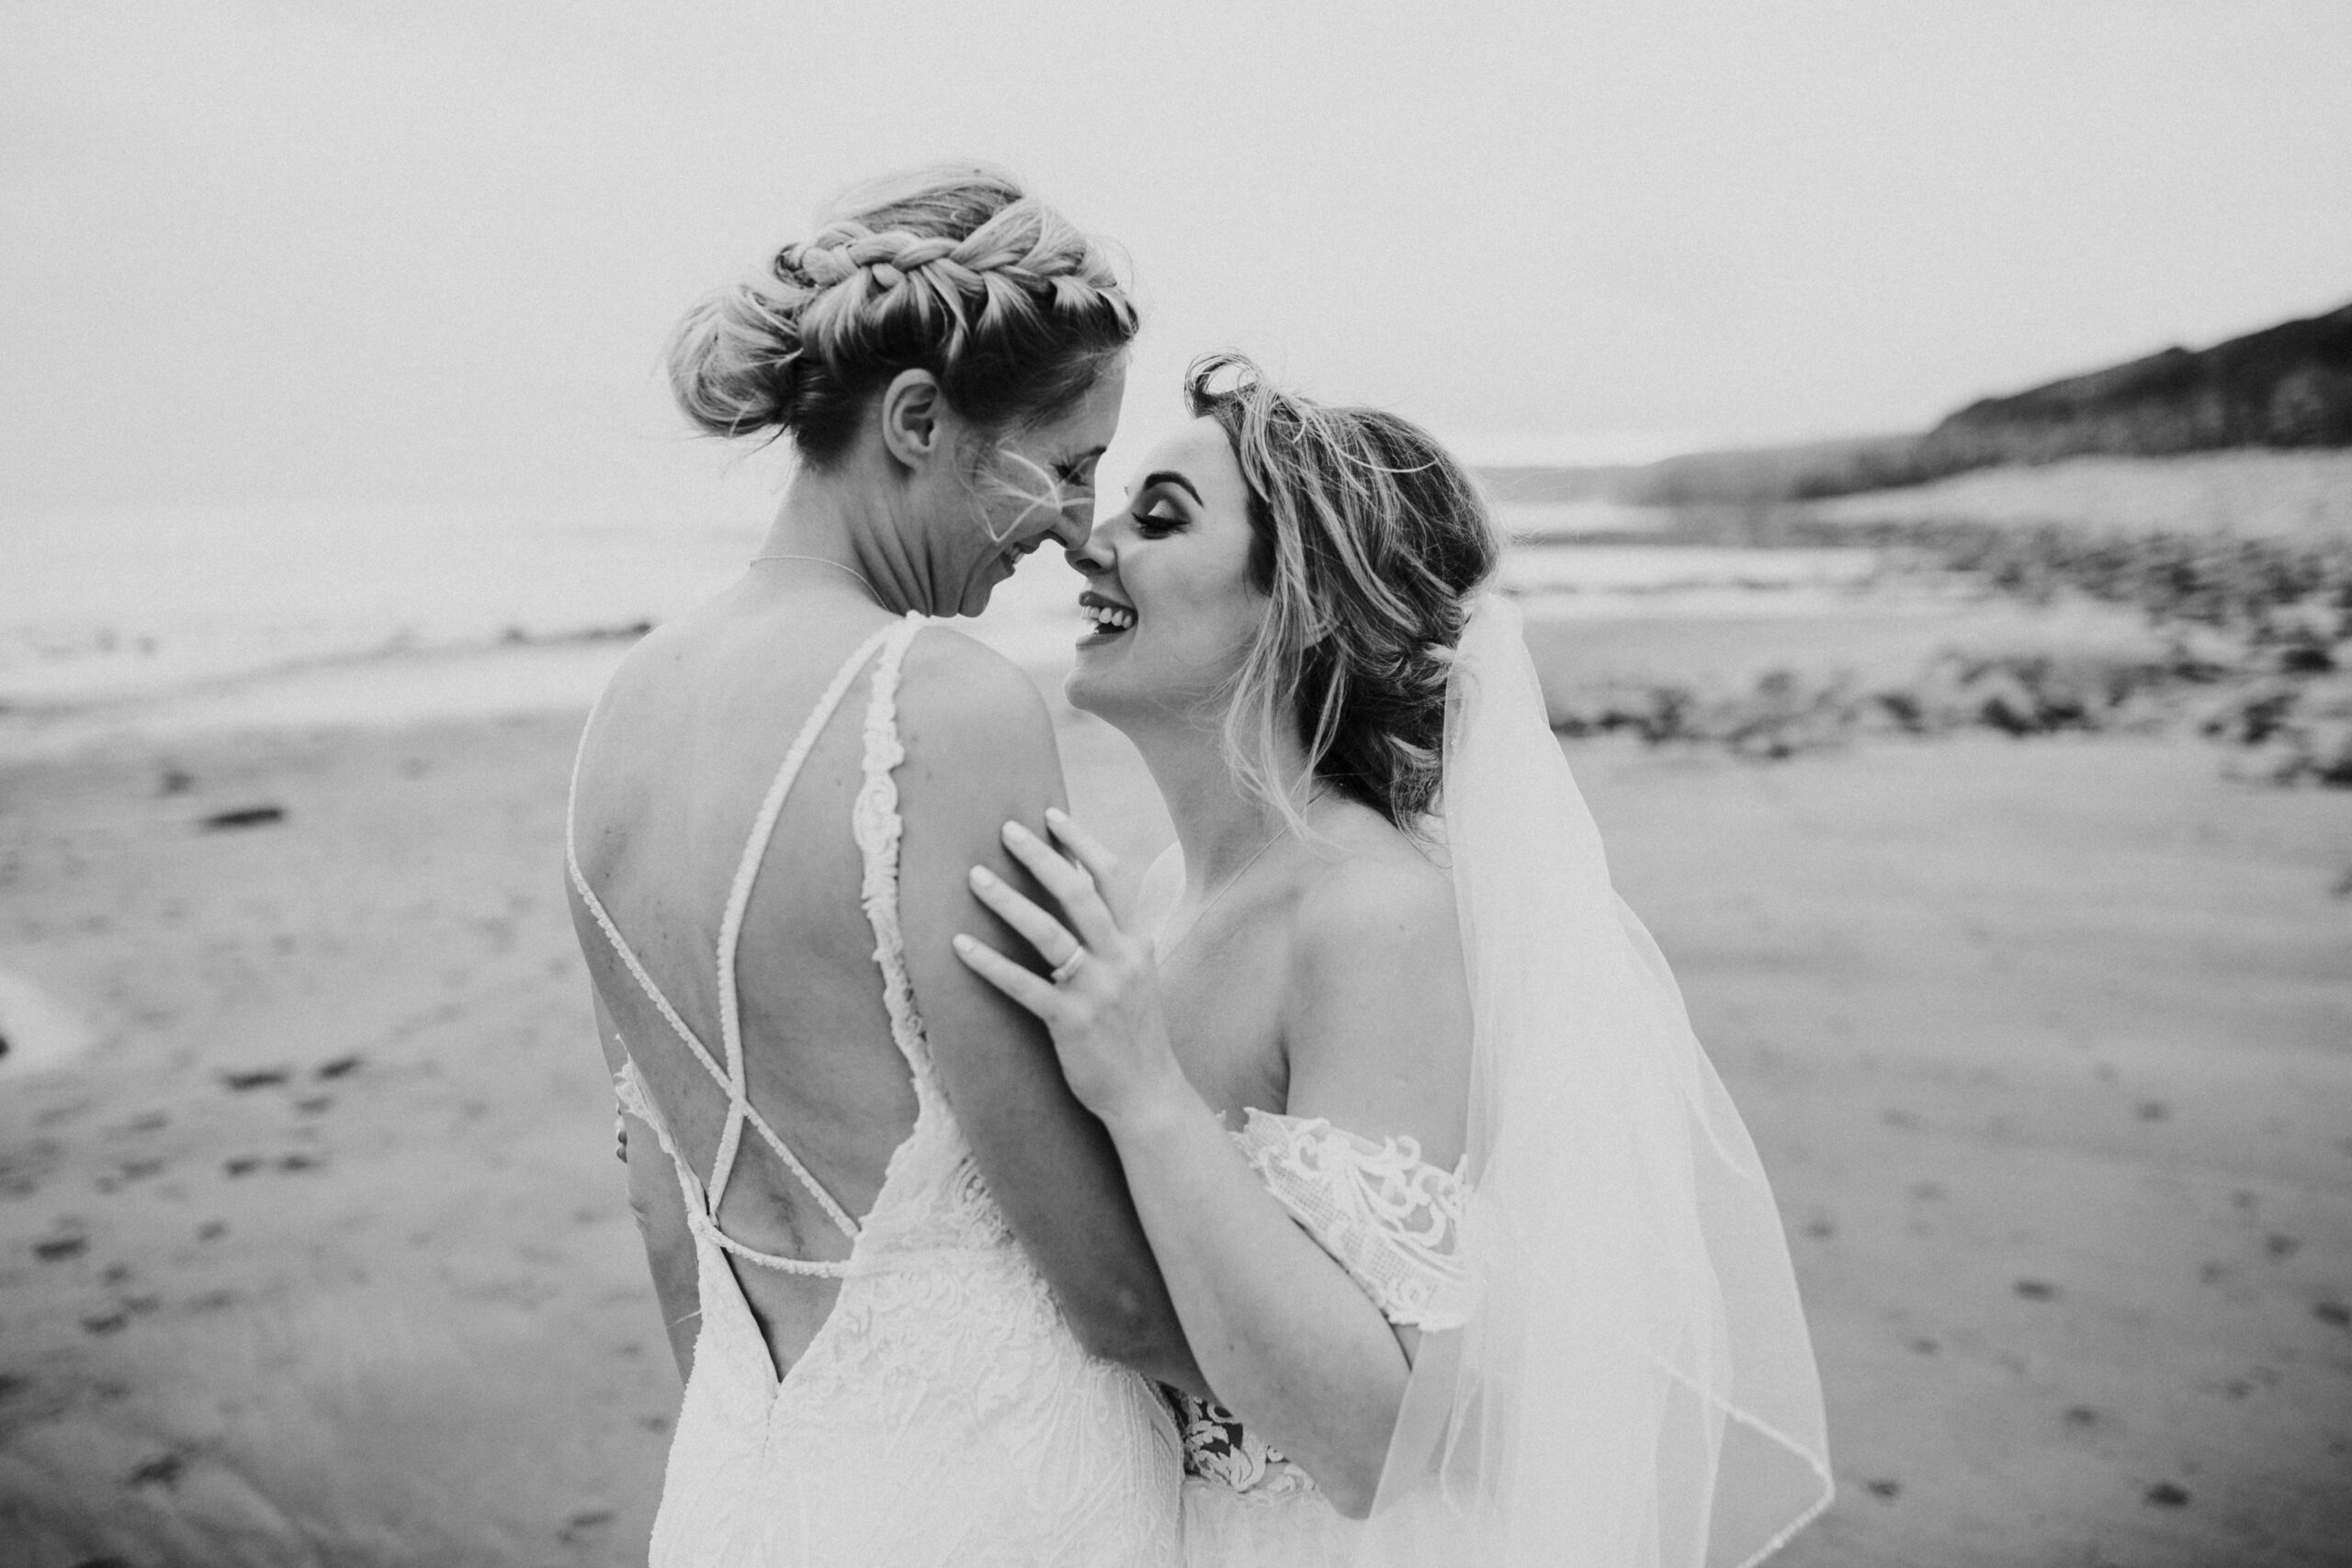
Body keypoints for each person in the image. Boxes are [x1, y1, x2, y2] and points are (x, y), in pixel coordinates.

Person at [956, 356, 1834, 1566]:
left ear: (1294, 600)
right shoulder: (1163, 893)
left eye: (1158, 516)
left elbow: (1378, 1439)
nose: (1089, 543)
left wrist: (1143, 1089)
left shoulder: (1373, 917)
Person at [565, 166, 1200, 1567]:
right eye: (1074, 463)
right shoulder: (940, 707)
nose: (1077, 527)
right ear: (919, 421)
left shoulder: (621, 713)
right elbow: (1106, 1290)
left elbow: (665, 1213)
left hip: (745, 1483)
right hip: (1002, 1498)